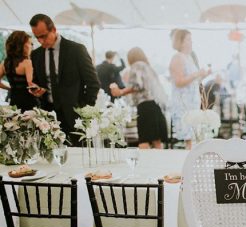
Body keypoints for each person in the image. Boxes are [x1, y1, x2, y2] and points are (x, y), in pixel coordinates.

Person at [28, 14, 99, 145]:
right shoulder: (36, 55)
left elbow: (93, 83)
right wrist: (38, 91)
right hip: (49, 118)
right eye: (37, 37)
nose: (41, 41)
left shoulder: (76, 50)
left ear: (53, 29)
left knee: (81, 155)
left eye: (43, 36)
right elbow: (37, 82)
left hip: (76, 115)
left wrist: (84, 109)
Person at [110, 47, 168, 149]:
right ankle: (159, 164)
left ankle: (144, 165)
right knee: (157, 142)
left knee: (144, 141)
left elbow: (137, 85)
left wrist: (120, 92)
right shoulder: (148, 67)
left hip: (145, 106)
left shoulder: (136, 66)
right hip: (156, 105)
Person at [169, 29, 208, 149]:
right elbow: (179, 82)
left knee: (195, 136)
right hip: (183, 104)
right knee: (189, 137)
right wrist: (196, 74)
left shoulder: (188, 58)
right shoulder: (177, 58)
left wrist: (202, 75)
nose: (191, 42)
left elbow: (193, 80)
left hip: (192, 102)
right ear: (180, 41)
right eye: (188, 39)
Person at [0, 30, 39, 111]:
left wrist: (10, 88)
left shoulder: (5, 63)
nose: (31, 46)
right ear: (22, 45)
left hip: (13, 102)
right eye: (30, 43)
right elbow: (31, 85)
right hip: (29, 104)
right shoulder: (27, 63)